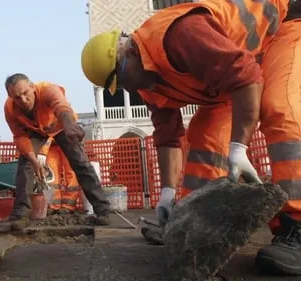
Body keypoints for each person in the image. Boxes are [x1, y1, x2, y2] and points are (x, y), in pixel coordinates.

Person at [80, 0, 301, 274]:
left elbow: (246, 76)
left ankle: (296, 226)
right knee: (204, 134)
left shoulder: (181, 34)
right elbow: (168, 136)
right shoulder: (148, 83)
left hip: (283, 25)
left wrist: (238, 147)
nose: (127, 88)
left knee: (281, 109)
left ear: (131, 52)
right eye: (118, 87)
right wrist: (167, 194)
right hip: (237, 72)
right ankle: (193, 225)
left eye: (122, 77)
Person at [3, 73, 111, 230]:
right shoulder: (10, 108)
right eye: (17, 98)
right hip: (35, 131)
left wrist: (69, 125)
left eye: (25, 93)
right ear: (11, 97)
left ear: (32, 87)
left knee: (80, 162)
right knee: (25, 166)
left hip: (61, 125)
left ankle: (102, 210)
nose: (23, 101)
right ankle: (21, 215)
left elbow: (61, 107)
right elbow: (20, 137)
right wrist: (33, 161)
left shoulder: (48, 90)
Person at [38, 138, 81, 215]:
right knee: (50, 177)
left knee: (71, 173)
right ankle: (52, 205)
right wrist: (42, 151)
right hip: (52, 146)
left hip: (68, 142)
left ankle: (69, 205)